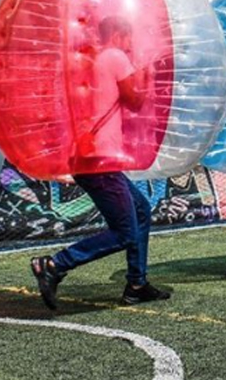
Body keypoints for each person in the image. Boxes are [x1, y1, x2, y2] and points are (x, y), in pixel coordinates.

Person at [30, 16, 171, 309]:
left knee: (141, 211)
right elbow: (135, 100)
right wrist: (148, 69)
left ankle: (137, 283)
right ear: (120, 35)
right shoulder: (115, 56)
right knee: (124, 232)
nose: (132, 43)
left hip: (88, 155)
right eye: (130, 37)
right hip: (99, 158)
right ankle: (54, 265)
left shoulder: (90, 61)